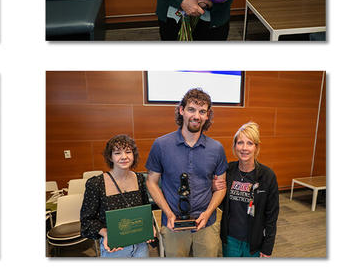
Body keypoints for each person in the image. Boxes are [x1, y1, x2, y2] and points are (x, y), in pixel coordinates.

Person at [145, 88, 227, 257]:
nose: (196, 116)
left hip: (206, 223)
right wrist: (168, 213)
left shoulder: (216, 149)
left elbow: (221, 187)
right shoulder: (161, 145)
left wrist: (208, 213)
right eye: (191, 109)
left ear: (207, 115)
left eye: (202, 111)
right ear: (182, 110)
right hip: (173, 224)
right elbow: (151, 182)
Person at [80, 134, 155, 257]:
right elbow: (86, 221)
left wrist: (149, 225)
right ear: (110, 157)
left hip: (140, 245)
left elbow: (144, 208)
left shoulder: (139, 178)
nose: (124, 157)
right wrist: (105, 233)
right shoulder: (96, 184)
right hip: (115, 248)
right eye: (117, 153)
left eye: (128, 152)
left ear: (133, 155)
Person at [214, 122, 279, 257]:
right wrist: (213, 188)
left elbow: (272, 215)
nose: (244, 148)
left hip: (254, 242)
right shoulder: (228, 170)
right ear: (234, 146)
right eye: (240, 143)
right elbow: (220, 203)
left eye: (250, 143)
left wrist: (267, 246)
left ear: (256, 147)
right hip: (230, 239)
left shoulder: (267, 176)